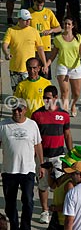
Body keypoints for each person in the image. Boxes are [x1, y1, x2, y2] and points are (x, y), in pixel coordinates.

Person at [0, 98, 44, 230]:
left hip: (28, 170)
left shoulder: (32, 125)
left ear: (25, 110)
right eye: (14, 109)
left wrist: (41, 164)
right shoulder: (3, 125)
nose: (17, 112)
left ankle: (25, 227)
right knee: (10, 204)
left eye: (20, 109)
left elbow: (38, 145)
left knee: (28, 201)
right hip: (9, 171)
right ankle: (14, 226)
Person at [32, 85, 73, 225]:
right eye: (44, 98)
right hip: (42, 157)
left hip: (59, 156)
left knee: (60, 184)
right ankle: (44, 211)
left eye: (49, 98)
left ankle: (58, 210)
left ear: (56, 98)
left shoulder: (64, 115)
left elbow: (67, 135)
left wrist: (71, 154)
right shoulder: (37, 115)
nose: (46, 100)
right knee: (42, 184)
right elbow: (34, 138)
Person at [46, 17, 81, 116]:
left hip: (75, 66)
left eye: (69, 24)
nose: (66, 26)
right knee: (65, 91)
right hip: (62, 66)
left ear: (73, 26)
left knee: (76, 93)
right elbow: (53, 54)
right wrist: (47, 64)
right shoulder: (58, 38)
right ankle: (64, 113)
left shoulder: (79, 37)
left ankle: (73, 105)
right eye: (65, 24)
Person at [2, 8, 46, 92]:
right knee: (16, 93)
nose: (28, 22)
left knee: (29, 92)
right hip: (15, 69)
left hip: (30, 69)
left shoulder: (34, 31)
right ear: (19, 20)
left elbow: (40, 48)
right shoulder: (11, 31)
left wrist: (45, 64)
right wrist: (6, 53)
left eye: (29, 20)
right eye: (25, 20)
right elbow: (4, 44)